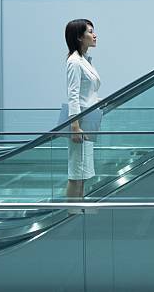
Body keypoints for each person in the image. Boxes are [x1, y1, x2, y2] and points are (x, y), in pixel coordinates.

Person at [64, 19, 100, 200]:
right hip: (81, 123)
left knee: (84, 172)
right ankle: (70, 214)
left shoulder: (85, 61)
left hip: (88, 120)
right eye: (90, 32)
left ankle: (77, 213)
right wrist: (75, 127)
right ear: (79, 37)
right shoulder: (75, 62)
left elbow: (86, 95)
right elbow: (73, 95)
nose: (94, 35)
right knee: (77, 173)